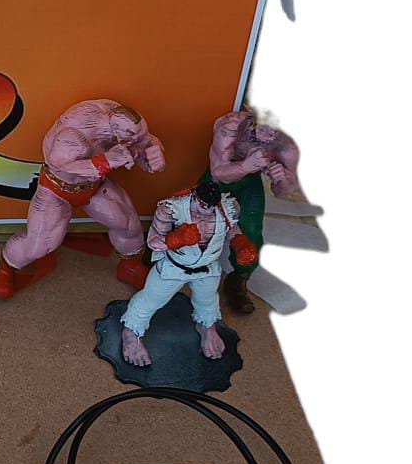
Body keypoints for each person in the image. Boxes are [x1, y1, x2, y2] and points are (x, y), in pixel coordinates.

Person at [0, 99, 165, 298]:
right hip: (56, 189)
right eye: (131, 137)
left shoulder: (118, 116)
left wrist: (154, 153)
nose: (135, 141)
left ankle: (130, 266)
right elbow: (59, 163)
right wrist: (105, 161)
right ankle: (6, 268)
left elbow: (145, 141)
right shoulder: (74, 134)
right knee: (39, 245)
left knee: (128, 224)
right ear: (113, 126)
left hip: (94, 186)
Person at [119, 179, 256, 366]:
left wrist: (241, 244)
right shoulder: (171, 209)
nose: (207, 211)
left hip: (208, 268)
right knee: (151, 299)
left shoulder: (226, 208)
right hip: (174, 267)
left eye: (212, 207)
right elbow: (153, 242)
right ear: (196, 197)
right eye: (203, 205)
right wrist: (176, 239)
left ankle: (206, 327)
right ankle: (130, 333)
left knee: (207, 300)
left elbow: (232, 229)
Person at [205, 108, 300, 314]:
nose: (272, 133)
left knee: (252, 229)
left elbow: (284, 192)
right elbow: (218, 173)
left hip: (250, 179)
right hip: (224, 173)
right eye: (267, 126)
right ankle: (177, 258)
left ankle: (239, 278)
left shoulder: (287, 145)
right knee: (194, 212)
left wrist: (281, 179)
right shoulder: (231, 127)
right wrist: (245, 166)